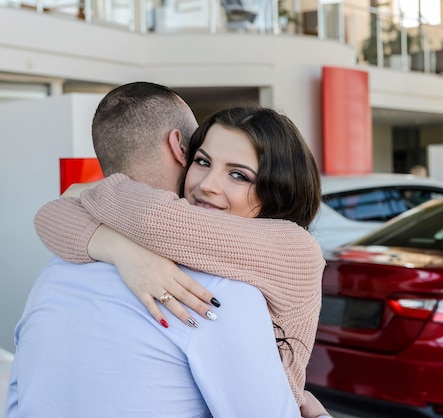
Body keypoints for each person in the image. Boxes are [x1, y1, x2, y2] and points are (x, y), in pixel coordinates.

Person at [31, 86, 329, 417]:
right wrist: (124, 254)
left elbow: (154, 218)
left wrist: (91, 191)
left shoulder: (295, 249)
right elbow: (50, 218)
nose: (207, 184)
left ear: (277, 189)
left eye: (238, 174)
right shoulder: (189, 247)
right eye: (202, 161)